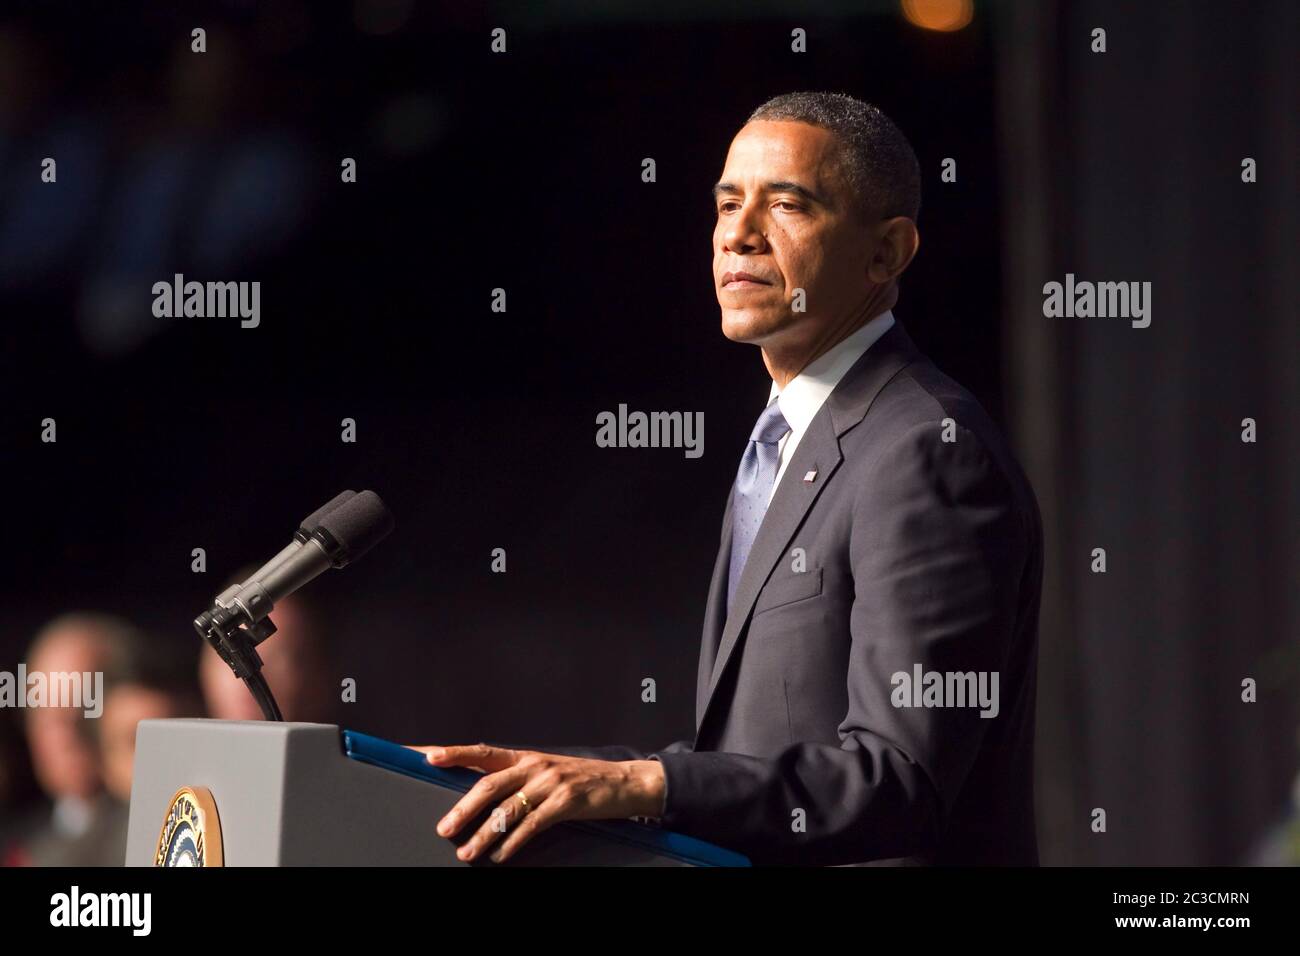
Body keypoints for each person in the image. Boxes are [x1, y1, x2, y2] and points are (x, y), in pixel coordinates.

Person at [412, 92, 1044, 866]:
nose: (738, 235)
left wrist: (649, 784)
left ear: (887, 253)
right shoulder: (783, 440)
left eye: (787, 205)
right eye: (727, 204)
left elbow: (899, 779)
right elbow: (759, 749)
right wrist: (566, 777)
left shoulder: (925, 450)